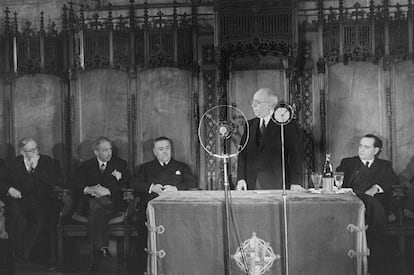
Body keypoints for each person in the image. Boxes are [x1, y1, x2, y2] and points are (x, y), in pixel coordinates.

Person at [131, 136, 197, 275]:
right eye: (160, 149)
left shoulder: (181, 167)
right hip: (149, 210)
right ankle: (147, 268)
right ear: (154, 152)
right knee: (143, 233)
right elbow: (134, 184)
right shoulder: (146, 168)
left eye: (167, 148)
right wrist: (151, 187)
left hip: (176, 210)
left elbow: (193, 183)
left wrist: (176, 188)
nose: (164, 152)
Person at [336, 134, 398, 274]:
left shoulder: (384, 166)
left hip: (375, 208)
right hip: (351, 204)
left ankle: (375, 262)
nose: (361, 150)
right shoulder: (348, 163)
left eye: (366, 147)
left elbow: (393, 180)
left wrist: (376, 187)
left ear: (376, 150)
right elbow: (337, 181)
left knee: (375, 207)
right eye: (360, 146)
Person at [72, 136, 131, 273]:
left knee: (96, 210)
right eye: (105, 150)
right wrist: (89, 189)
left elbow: (127, 183)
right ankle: (103, 247)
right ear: (96, 151)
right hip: (92, 204)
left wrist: (108, 191)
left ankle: (96, 257)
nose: (109, 153)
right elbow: (74, 184)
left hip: (112, 204)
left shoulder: (120, 164)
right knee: (96, 209)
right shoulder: (85, 166)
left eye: (110, 149)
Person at [0, 137, 62, 261]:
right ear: (23, 152)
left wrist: (36, 169)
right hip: (19, 199)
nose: (35, 152)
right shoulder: (13, 163)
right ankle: (19, 253)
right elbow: (1, 180)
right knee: (17, 217)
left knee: (39, 218)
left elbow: (55, 181)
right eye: (31, 150)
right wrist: (10, 189)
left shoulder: (47, 161)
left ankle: (23, 254)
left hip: (41, 200)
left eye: (36, 149)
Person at [236, 88, 303, 191]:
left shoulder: (285, 123)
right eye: (253, 102)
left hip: (277, 184)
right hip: (251, 184)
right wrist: (241, 178)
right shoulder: (250, 125)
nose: (252, 105)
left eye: (257, 102)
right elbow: (242, 154)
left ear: (269, 105)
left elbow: (295, 154)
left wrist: (296, 182)